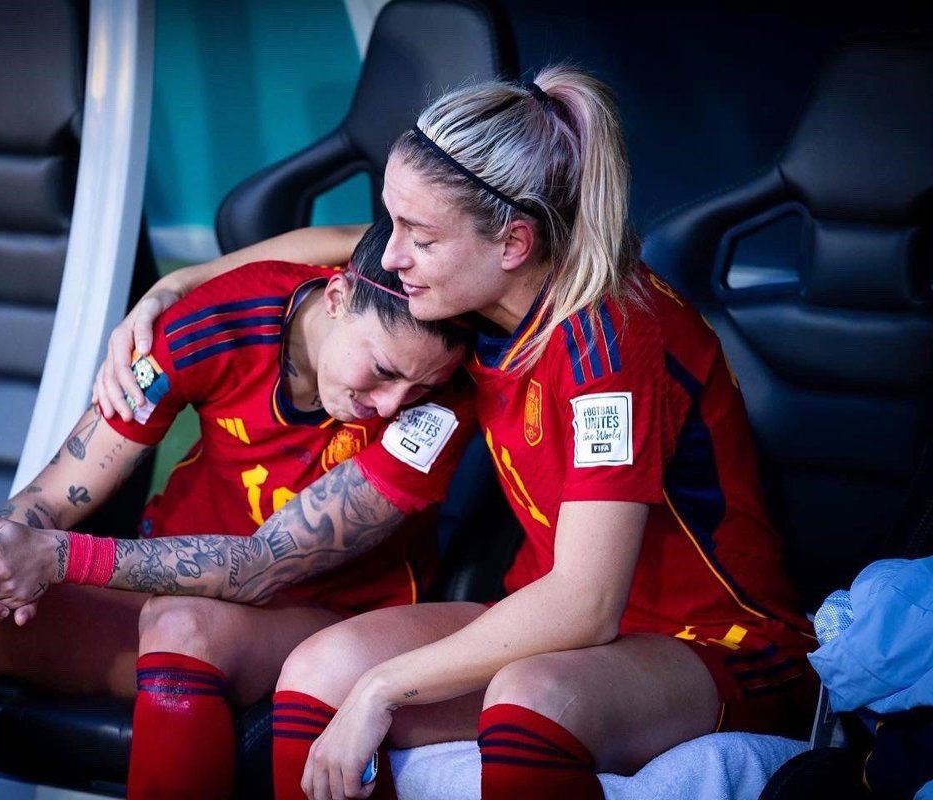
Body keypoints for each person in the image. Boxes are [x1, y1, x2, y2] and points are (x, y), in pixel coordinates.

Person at [97, 66, 819, 800]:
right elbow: (346, 243)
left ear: (513, 243)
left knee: (530, 701)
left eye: (419, 236)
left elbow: (585, 605)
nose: (393, 255)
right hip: (541, 616)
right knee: (318, 673)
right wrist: (177, 284)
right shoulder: (466, 299)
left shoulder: (609, 341)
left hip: (710, 640)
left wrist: (384, 687)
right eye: (394, 223)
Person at [0, 217, 478, 800]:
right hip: (164, 595)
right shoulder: (223, 317)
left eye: (419, 387)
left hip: (322, 620)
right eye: (382, 371)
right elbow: (56, 493)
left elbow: (259, 566)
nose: (391, 404)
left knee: (184, 626)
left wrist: (54, 557)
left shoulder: (439, 409)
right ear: (337, 296)